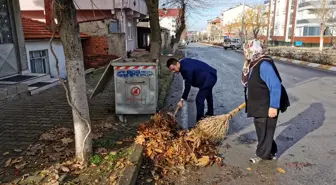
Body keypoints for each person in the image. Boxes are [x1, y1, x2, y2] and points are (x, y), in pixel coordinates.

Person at [241, 39, 290, 163]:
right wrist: (246, 63)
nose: (244, 53)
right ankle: (271, 152)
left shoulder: (264, 65)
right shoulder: (254, 63)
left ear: (253, 50)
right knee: (263, 130)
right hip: (259, 105)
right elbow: (245, 81)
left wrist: (273, 106)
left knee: (265, 131)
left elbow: (275, 86)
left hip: (267, 105)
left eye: (246, 51)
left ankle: (262, 154)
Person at [166, 57, 217, 125]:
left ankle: (199, 122)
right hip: (208, 76)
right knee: (208, 94)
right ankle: (210, 113)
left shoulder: (185, 69)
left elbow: (188, 85)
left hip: (209, 78)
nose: (173, 71)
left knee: (199, 99)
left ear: (177, 64)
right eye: (171, 70)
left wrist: (182, 100)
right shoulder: (183, 63)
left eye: (173, 69)